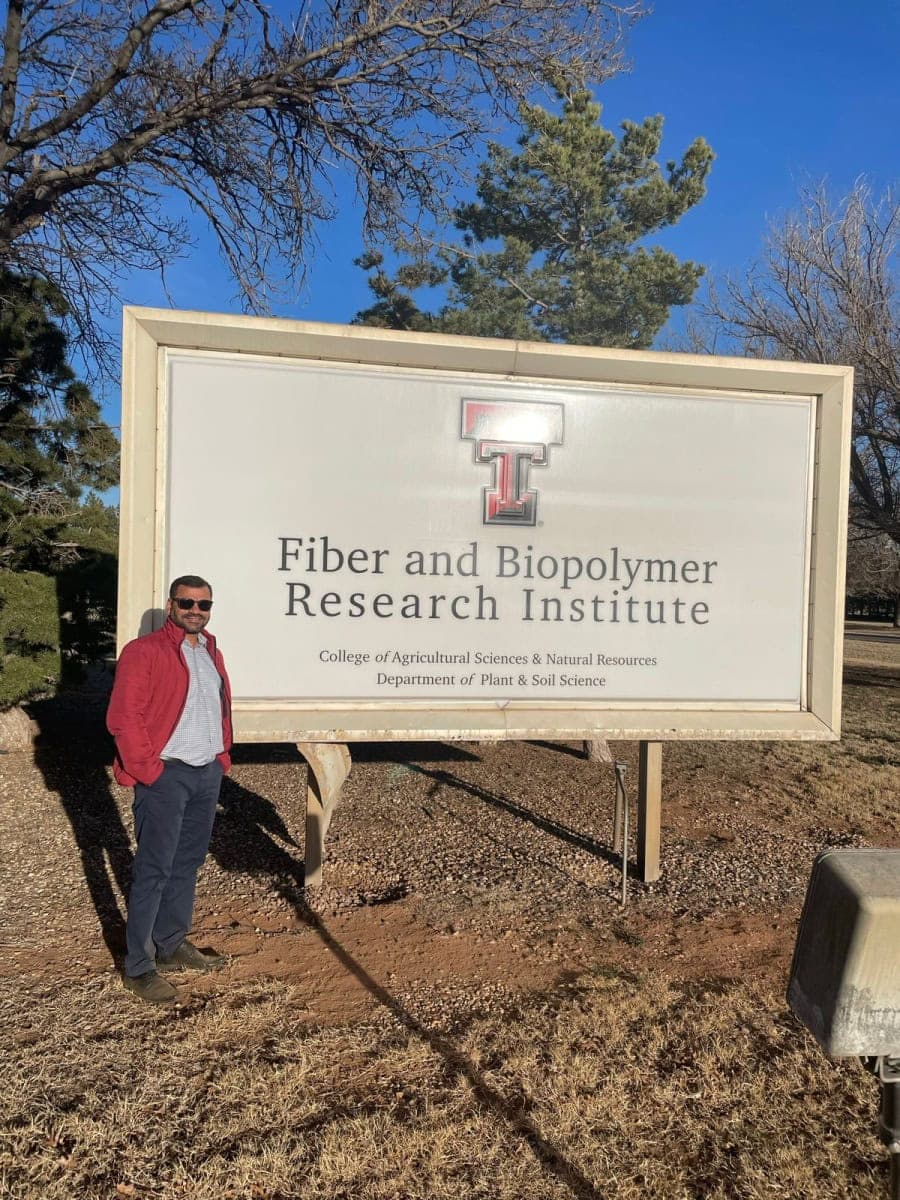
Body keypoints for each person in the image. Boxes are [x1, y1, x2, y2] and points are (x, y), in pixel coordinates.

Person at [107, 575, 233, 1004]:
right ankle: (139, 967)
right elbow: (123, 718)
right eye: (187, 602)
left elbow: (215, 707)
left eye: (204, 604)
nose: (195, 610)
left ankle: (171, 943)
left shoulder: (211, 651)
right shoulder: (144, 652)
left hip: (205, 772)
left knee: (188, 862)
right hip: (167, 776)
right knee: (154, 870)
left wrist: (221, 756)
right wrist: (149, 771)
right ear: (171, 604)